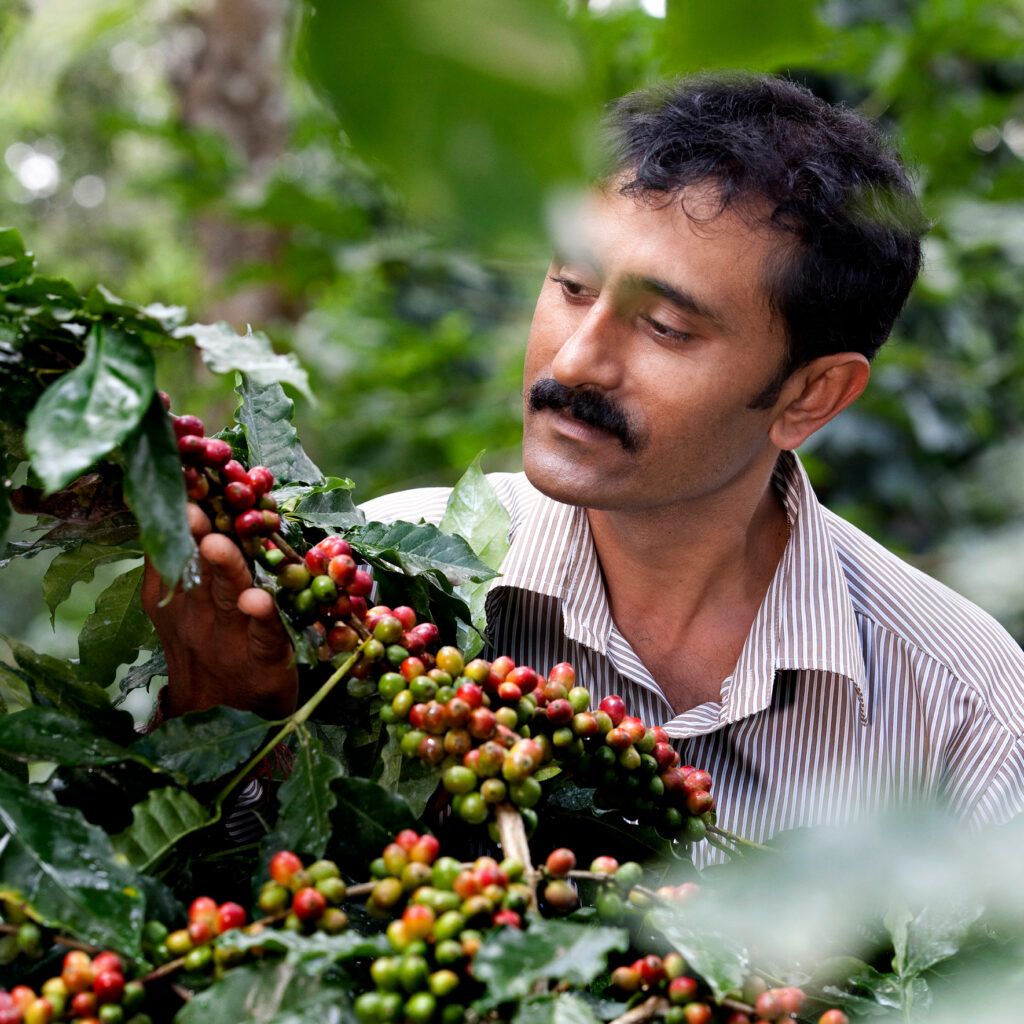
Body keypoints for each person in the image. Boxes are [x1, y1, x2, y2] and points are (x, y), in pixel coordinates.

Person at [143, 73, 1024, 859]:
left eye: (667, 329)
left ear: (812, 396)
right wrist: (235, 733)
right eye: (570, 287)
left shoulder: (962, 704)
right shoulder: (382, 580)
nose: (575, 363)